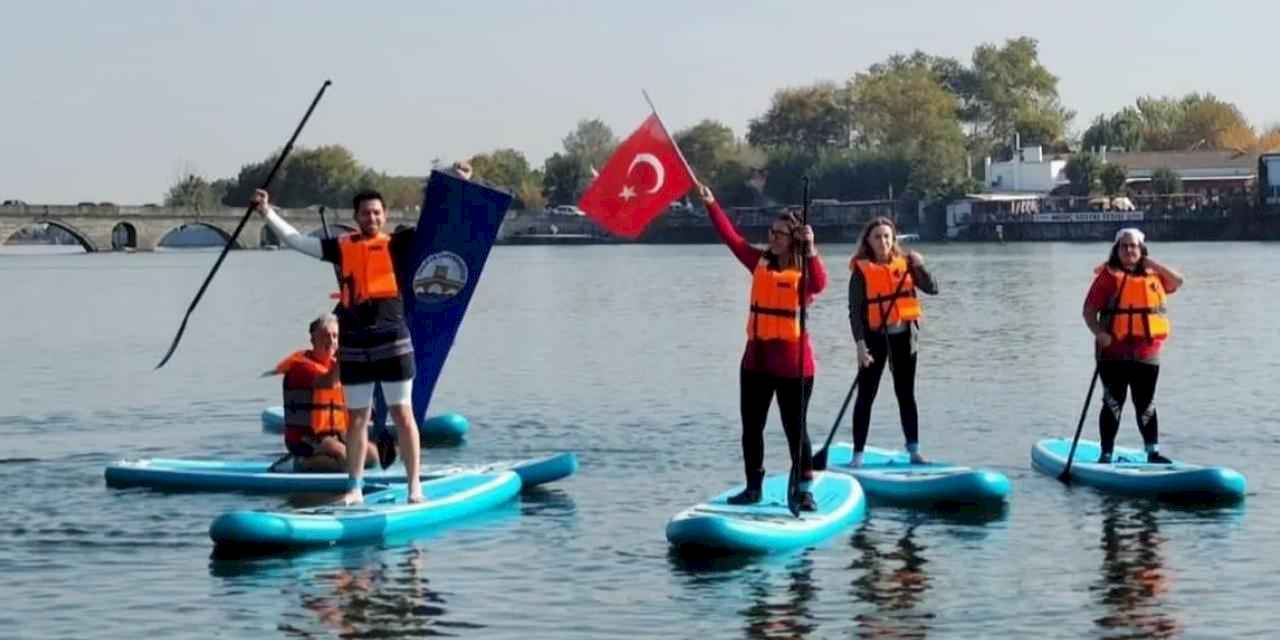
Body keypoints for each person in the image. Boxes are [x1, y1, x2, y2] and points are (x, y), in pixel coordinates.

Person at [256, 187, 427, 504]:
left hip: (393, 342)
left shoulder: (399, 244)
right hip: (356, 345)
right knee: (358, 417)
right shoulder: (341, 247)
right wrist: (267, 213)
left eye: (377, 212)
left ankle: (414, 487)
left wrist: (457, 181)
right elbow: (296, 241)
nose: (371, 218)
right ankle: (354, 488)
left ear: (384, 216)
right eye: (365, 213)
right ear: (356, 217)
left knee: (403, 414)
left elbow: (437, 225)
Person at [698, 184, 826, 511]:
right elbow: (732, 239)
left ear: (794, 238)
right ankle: (753, 487)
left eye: (780, 233)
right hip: (755, 362)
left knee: (795, 431)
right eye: (771, 232)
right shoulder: (758, 261)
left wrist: (811, 249)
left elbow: (820, 284)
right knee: (751, 428)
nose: (773, 237)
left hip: (793, 367)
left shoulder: (803, 271)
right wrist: (712, 203)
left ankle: (804, 490)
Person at [1082, 228, 1184, 464]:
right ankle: (1106, 454)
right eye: (1124, 246)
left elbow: (1178, 281)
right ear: (1116, 250)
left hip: (1146, 354)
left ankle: (1153, 453)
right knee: (1113, 403)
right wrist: (1099, 333)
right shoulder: (1107, 277)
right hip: (1113, 353)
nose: (1129, 250)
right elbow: (1088, 312)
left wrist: (1153, 264)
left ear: (1142, 250)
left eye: (1134, 246)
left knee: (1146, 404)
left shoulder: (1153, 275)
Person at [847, 217, 939, 467]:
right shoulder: (861, 271)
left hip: (904, 339)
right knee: (866, 395)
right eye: (877, 236)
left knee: (906, 394)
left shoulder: (907, 265)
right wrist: (859, 344)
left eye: (887, 236)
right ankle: (858, 456)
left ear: (893, 239)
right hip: (875, 340)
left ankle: (914, 451)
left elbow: (933, 288)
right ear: (868, 240)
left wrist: (921, 267)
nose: (883, 241)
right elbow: (855, 312)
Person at [266, 313, 378, 472]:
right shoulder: (302, 367)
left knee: (372, 456)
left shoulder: (336, 365)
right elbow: (329, 383)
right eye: (326, 336)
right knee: (347, 460)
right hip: (306, 437)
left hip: (335, 434)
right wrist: (342, 359)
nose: (331, 341)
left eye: (335, 336)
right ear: (313, 340)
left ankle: (324, 460)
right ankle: (298, 463)